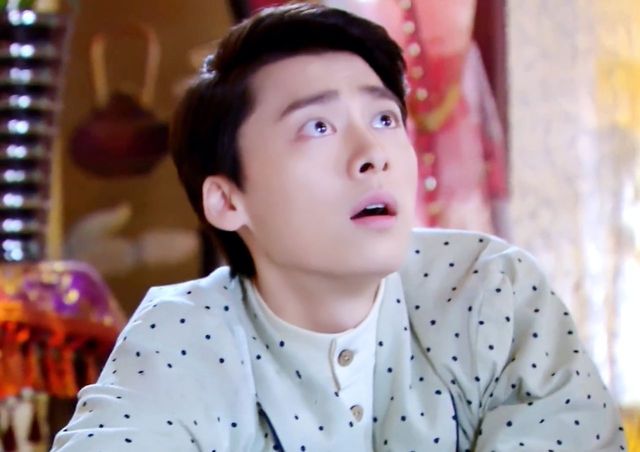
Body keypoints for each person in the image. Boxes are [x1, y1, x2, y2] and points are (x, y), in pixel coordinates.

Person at [51, 4, 627, 451]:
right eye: (318, 127)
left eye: (384, 118)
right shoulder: (182, 335)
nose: (372, 154)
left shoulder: (488, 290)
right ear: (227, 200)